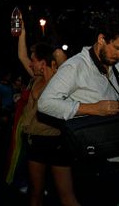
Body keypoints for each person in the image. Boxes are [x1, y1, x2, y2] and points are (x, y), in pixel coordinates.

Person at [38, 18, 119, 206]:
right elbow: (45, 103)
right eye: (116, 47)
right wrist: (93, 108)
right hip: (94, 161)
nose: (118, 53)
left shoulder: (113, 63)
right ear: (101, 39)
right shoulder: (75, 66)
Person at [15, 20, 79, 206]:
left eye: (34, 60)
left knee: (66, 196)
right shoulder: (35, 79)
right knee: (35, 193)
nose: (30, 64)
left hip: (56, 142)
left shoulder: (61, 80)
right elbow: (21, 55)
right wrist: (22, 32)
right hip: (35, 141)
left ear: (43, 63)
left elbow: (64, 62)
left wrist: (57, 55)